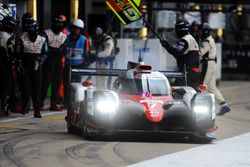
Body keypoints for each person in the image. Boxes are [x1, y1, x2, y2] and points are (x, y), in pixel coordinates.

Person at [16, 20, 48, 118]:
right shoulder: (22, 37)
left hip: (37, 66)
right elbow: (18, 52)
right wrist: (20, 63)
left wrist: (41, 59)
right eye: (28, 28)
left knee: (37, 89)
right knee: (25, 88)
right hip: (26, 66)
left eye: (32, 28)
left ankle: (37, 110)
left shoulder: (42, 38)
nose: (30, 30)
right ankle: (25, 106)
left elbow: (46, 52)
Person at [199, 23, 231, 116]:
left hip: (208, 64)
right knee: (212, 88)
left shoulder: (206, 41)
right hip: (211, 64)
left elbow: (200, 53)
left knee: (202, 85)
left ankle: (200, 108)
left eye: (201, 30)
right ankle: (224, 105)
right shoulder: (209, 39)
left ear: (205, 31)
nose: (199, 32)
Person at [161, 19, 201, 91]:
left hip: (187, 73)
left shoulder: (185, 40)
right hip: (194, 72)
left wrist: (166, 45)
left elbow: (177, 53)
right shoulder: (191, 38)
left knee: (176, 91)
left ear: (180, 29)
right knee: (192, 92)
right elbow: (180, 56)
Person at [41, 15, 67, 111]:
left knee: (57, 83)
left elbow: (64, 50)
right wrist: (55, 50)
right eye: (57, 23)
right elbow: (44, 48)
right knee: (45, 82)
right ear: (53, 23)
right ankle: (40, 102)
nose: (59, 25)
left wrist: (57, 50)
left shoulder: (63, 36)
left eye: (61, 23)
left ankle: (54, 103)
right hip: (48, 61)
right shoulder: (46, 33)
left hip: (58, 62)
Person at [63, 18, 89, 107]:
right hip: (67, 65)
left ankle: (77, 102)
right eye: (73, 28)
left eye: (77, 29)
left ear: (80, 30)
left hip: (79, 65)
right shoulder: (67, 37)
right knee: (66, 84)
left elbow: (86, 52)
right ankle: (66, 102)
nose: (75, 31)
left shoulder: (84, 39)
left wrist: (86, 64)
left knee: (78, 84)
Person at [0, 16, 17, 117]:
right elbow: (10, 53)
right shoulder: (7, 37)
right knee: (6, 85)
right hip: (4, 65)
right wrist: (13, 62)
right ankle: (4, 108)